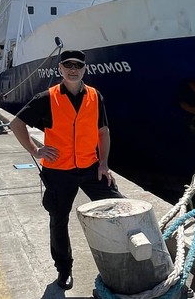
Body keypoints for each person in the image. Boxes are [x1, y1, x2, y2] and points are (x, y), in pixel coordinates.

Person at [9, 49, 123, 291]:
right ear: (60, 69)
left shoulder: (95, 96)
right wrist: (35, 150)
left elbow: (103, 132)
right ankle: (64, 269)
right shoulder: (47, 97)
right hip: (58, 171)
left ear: (84, 70)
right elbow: (17, 124)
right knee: (58, 220)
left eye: (78, 66)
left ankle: (129, 257)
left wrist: (104, 163)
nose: (73, 70)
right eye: (68, 65)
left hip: (91, 167)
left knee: (119, 206)